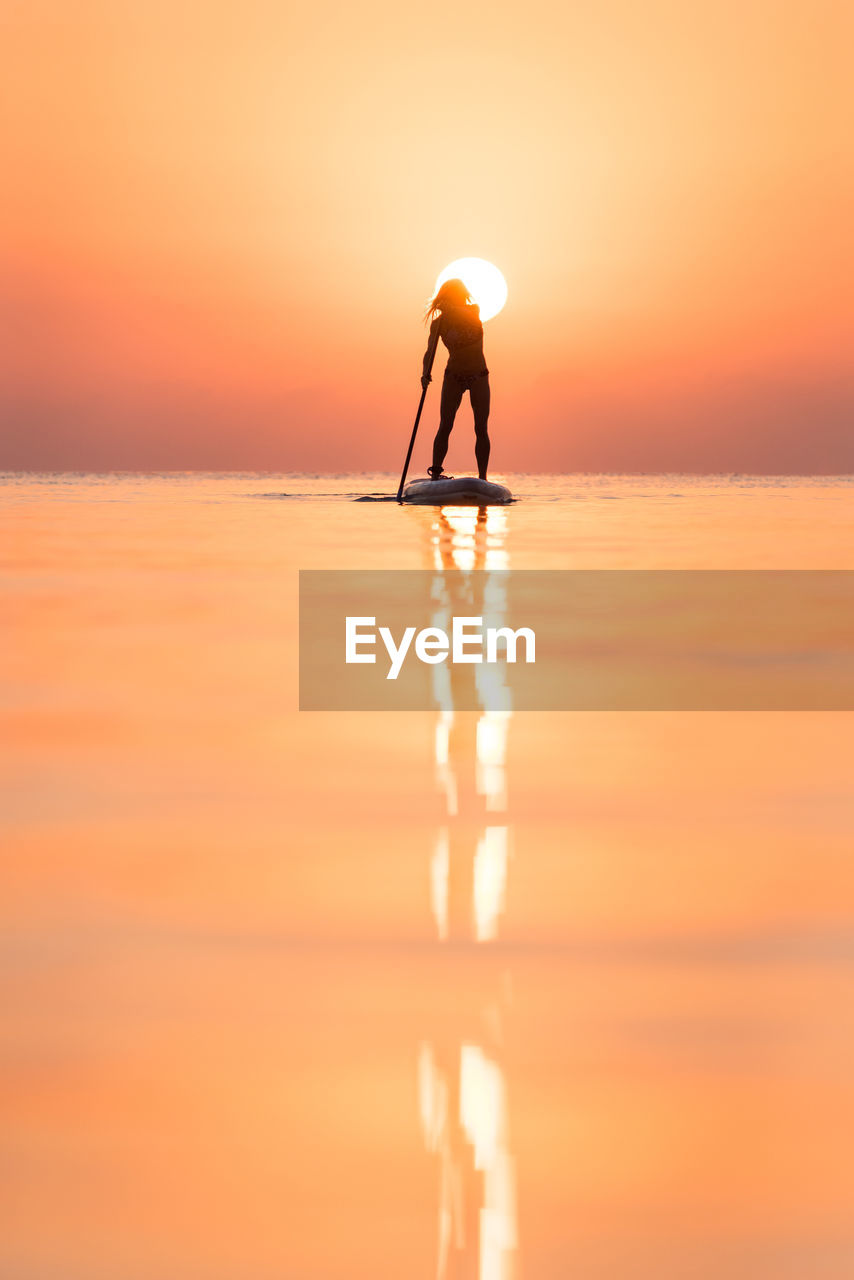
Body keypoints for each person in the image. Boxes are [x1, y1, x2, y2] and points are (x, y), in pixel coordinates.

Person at [421, 279, 491, 480]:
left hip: (479, 376)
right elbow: (429, 351)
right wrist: (425, 373)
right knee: (445, 425)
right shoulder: (439, 323)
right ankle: (435, 473)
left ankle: (483, 477)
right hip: (453, 377)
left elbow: (465, 313)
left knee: (481, 428)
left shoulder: (472, 311)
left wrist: (451, 309)